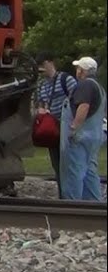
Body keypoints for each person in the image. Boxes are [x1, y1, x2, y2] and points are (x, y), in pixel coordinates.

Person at [59, 56, 106, 201]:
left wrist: (74, 127)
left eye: (78, 68)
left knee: (74, 171)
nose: (76, 71)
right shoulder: (99, 88)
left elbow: (84, 106)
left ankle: (73, 204)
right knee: (90, 171)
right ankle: (93, 204)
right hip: (94, 136)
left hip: (80, 136)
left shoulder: (85, 85)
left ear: (82, 71)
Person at [34, 54, 77, 188]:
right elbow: (40, 104)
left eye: (43, 64)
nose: (41, 69)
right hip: (52, 128)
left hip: (66, 125)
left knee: (69, 161)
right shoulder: (41, 85)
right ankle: (63, 192)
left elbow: (77, 100)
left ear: (50, 62)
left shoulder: (66, 79)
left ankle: (72, 192)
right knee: (56, 162)